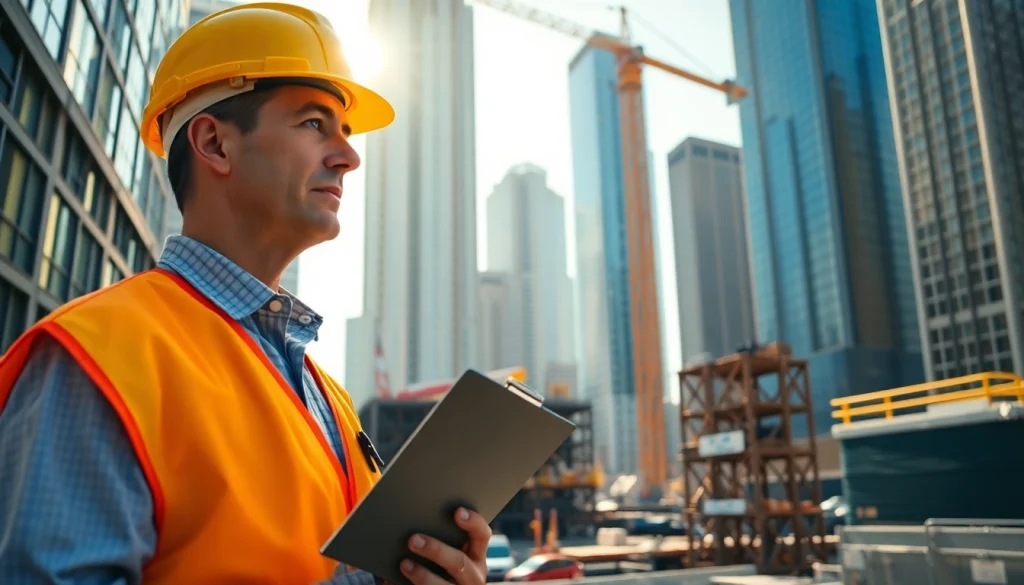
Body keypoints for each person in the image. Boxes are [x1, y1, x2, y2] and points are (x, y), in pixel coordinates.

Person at [0, 3, 492, 584]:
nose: (349, 156)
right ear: (214, 144)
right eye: (315, 124)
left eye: (345, 131)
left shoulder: (327, 396)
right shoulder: (98, 358)